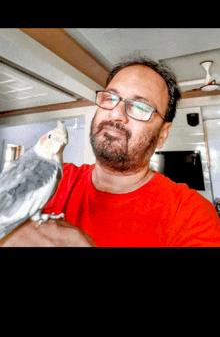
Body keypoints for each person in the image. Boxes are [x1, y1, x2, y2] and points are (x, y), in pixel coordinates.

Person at [1, 57, 220, 247]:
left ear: (163, 134)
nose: (116, 114)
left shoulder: (192, 215)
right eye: (109, 98)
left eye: (139, 107)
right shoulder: (53, 178)